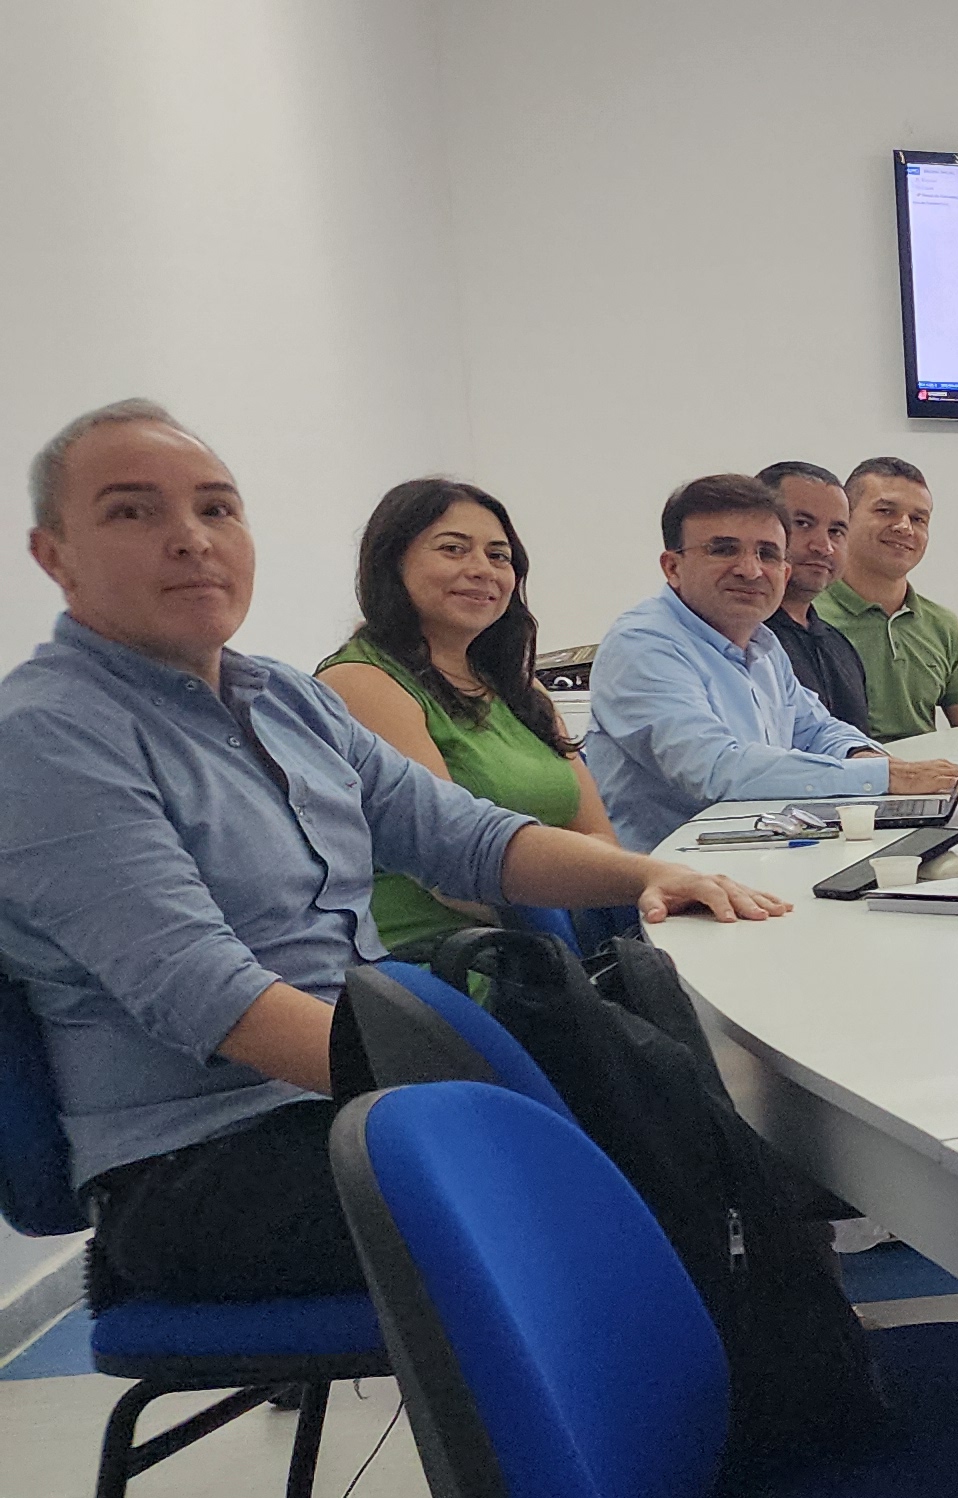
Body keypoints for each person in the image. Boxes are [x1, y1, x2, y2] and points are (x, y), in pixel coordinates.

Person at [0, 401, 790, 1302]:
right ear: (54, 555)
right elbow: (209, 994)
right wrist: (485, 1084)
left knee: (663, 1116)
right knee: (604, 1176)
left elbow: (465, 836)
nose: (191, 539)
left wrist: (655, 872)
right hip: (204, 1159)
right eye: (132, 511)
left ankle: (767, 1366)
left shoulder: (284, 700)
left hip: (355, 1100)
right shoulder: (49, 735)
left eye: (216, 508)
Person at [313, 478, 627, 954]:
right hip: (444, 957)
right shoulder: (361, 682)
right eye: (453, 549)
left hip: (555, 941)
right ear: (392, 563)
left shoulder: (521, 687)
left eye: (498, 556)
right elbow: (452, 873)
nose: (482, 569)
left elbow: (599, 835)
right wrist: (584, 890)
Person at [586, 475, 958, 850]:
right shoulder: (643, 644)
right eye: (723, 550)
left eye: (767, 554)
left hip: (761, 852)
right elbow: (716, 769)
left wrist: (867, 758)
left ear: (785, 572)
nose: (750, 570)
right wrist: (882, 775)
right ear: (673, 567)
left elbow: (816, 730)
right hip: (665, 877)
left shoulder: (762, 643)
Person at [815, 455, 958, 740]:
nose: (904, 527)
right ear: (845, 519)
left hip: (931, 768)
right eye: (886, 511)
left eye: (918, 519)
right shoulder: (807, 617)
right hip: (843, 766)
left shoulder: (942, 624)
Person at [755, 460, 871, 732]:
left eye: (836, 531)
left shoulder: (840, 646)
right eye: (803, 524)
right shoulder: (742, 641)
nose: (824, 546)